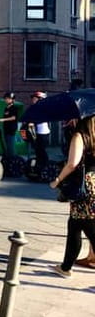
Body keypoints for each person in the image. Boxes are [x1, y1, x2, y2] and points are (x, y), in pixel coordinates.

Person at [48, 115, 95, 278]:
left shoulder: (79, 135)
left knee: (88, 226)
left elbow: (72, 163)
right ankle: (66, 267)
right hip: (94, 183)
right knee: (74, 225)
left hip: (84, 186)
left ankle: (66, 267)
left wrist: (58, 180)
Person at [27, 91, 50, 166]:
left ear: (40, 99)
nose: (33, 100)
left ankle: (46, 165)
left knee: (41, 150)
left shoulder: (43, 108)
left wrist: (33, 122)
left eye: (35, 98)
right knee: (38, 150)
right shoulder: (35, 108)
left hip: (43, 133)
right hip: (37, 132)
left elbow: (41, 119)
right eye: (33, 98)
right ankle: (40, 165)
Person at [0, 92, 19, 158]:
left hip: (11, 129)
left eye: (8, 99)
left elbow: (13, 117)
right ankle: (9, 158)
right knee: (7, 145)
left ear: (12, 100)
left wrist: (3, 119)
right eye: (6, 98)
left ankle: (13, 159)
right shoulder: (6, 108)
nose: (6, 100)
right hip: (6, 129)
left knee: (10, 145)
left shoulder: (14, 108)